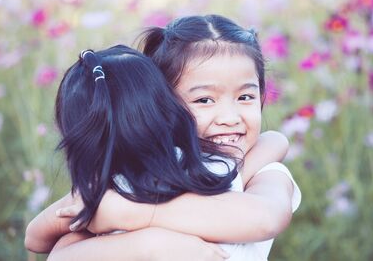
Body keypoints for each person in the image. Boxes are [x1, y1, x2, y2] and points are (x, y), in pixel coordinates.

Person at [25, 15, 301, 260]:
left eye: (245, 97)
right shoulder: (138, 173)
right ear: (162, 104)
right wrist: (148, 244)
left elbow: (266, 218)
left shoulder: (268, 173)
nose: (230, 117)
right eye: (204, 100)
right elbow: (44, 243)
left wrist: (133, 213)